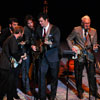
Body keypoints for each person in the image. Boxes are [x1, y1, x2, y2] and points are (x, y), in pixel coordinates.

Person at [66, 15, 100, 99]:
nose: (87, 25)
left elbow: (94, 44)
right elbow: (68, 39)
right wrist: (72, 48)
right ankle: (80, 91)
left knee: (92, 75)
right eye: (85, 23)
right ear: (82, 23)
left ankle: (94, 92)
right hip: (79, 55)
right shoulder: (76, 30)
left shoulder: (94, 31)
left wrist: (95, 48)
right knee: (78, 75)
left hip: (89, 56)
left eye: (88, 23)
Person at [36, 12, 61, 100]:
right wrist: (34, 45)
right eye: (39, 21)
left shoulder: (55, 29)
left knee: (54, 78)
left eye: (41, 21)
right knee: (41, 76)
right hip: (43, 57)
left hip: (53, 57)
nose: (40, 23)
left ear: (46, 20)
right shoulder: (39, 29)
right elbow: (35, 38)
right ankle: (42, 96)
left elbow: (56, 43)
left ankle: (52, 95)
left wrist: (48, 44)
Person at [0, 26, 26, 100]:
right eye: (22, 33)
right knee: (5, 85)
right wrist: (20, 58)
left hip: (5, 65)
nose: (22, 35)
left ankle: (10, 98)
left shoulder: (11, 38)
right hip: (6, 65)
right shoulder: (12, 39)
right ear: (20, 33)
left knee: (7, 84)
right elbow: (14, 52)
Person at [20, 14, 37, 96]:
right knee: (25, 71)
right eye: (28, 23)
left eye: (31, 22)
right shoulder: (26, 29)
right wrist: (31, 45)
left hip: (32, 52)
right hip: (25, 52)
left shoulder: (34, 28)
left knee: (30, 71)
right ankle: (27, 89)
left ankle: (30, 86)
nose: (30, 24)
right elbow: (27, 40)